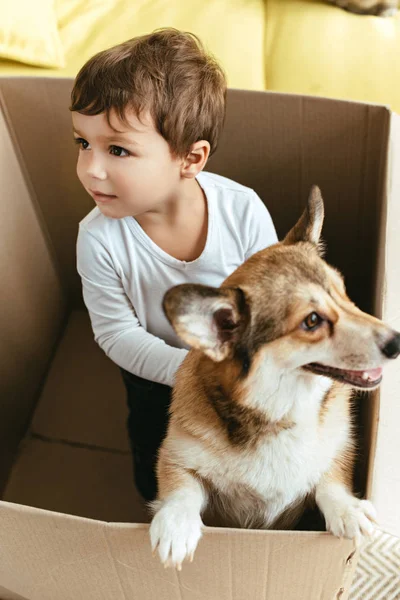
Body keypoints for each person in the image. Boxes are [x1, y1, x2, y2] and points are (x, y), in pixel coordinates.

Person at [71, 28, 278, 503]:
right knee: (152, 443)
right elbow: (116, 333)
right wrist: (189, 372)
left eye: (117, 149)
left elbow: (269, 303)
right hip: (153, 373)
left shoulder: (241, 211)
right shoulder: (98, 237)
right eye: (82, 142)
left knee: (243, 447)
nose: (90, 168)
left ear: (190, 158)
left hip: (237, 367)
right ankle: (157, 501)